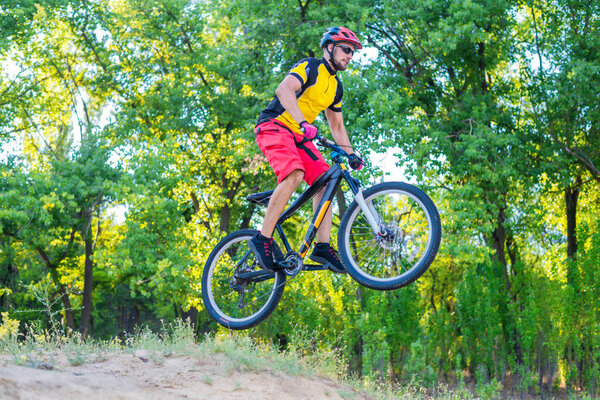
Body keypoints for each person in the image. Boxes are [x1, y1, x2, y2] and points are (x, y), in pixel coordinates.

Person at [249, 27, 365, 273]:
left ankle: (322, 247)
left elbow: (337, 125)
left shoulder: (336, 87)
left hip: (299, 135)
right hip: (274, 124)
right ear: (330, 47)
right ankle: (263, 239)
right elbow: (283, 90)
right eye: (346, 49)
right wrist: (303, 122)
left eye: (353, 52)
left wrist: (351, 153)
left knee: (326, 182)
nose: (350, 56)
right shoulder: (310, 66)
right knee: (294, 173)